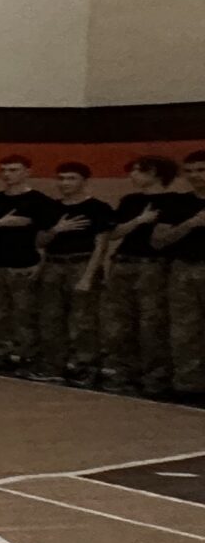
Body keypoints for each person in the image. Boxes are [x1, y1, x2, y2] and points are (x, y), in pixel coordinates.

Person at [99, 156, 177, 396]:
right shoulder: (130, 200)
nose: (132, 176)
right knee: (119, 322)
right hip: (123, 261)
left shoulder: (175, 201)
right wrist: (139, 220)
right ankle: (124, 373)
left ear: (152, 172)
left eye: (136, 171)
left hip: (153, 265)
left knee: (151, 322)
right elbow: (114, 233)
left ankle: (155, 378)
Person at [0, 156, 57, 371]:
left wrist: (41, 264)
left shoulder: (41, 201)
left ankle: (28, 356)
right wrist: (0, 223)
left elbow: (47, 238)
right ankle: (4, 354)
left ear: (27, 172)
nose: (7, 174)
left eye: (13, 170)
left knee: (25, 313)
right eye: (4, 170)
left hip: (25, 263)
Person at [36, 162, 108, 384]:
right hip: (54, 263)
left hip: (81, 263)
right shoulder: (51, 208)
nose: (65, 183)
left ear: (84, 181)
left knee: (83, 319)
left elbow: (101, 245)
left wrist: (88, 276)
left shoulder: (98, 208)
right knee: (51, 318)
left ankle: (85, 367)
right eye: (61, 178)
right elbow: (40, 241)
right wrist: (57, 230)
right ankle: (54, 366)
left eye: (71, 178)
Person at [159, 152, 205, 398]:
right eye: (190, 171)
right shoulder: (178, 203)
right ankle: (189, 387)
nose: (195, 176)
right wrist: (191, 223)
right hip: (184, 269)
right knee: (184, 330)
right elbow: (158, 240)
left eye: (201, 170)